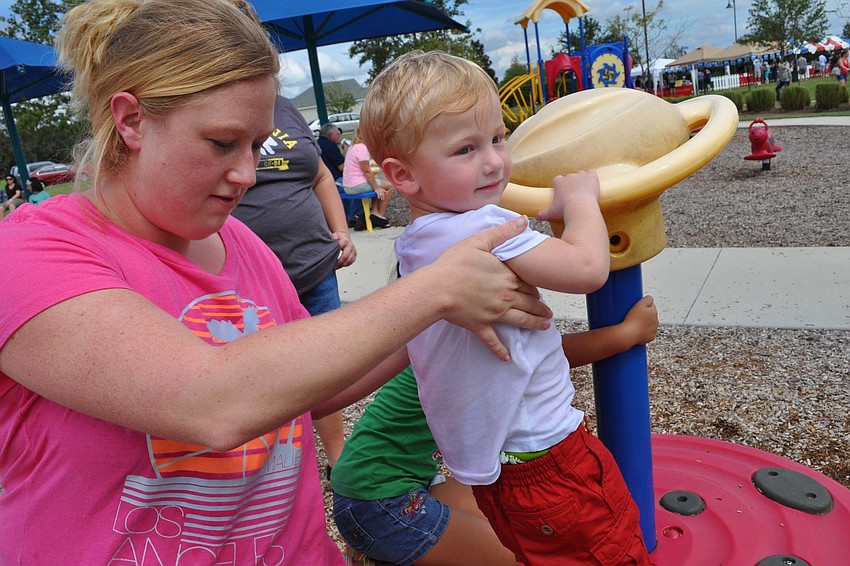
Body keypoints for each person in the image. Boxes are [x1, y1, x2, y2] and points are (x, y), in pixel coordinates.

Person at [0, 3, 552, 563]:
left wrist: (446, 314)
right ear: (131, 120)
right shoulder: (30, 254)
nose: (246, 174)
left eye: (257, 146)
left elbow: (308, 389)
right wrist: (433, 290)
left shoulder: (242, 244)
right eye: (222, 143)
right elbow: (213, 401)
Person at [359, 50, 649, 565]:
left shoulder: (417, 244)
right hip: (551, 460)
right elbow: (586, 269)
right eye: (466, 149)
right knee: (613, 552)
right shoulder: (478, 229)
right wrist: (580, 200)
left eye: (497, 137)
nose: (494, 161)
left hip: (495, 470)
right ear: (403, 176)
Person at [332, 297, 659, 566]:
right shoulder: (460, 342)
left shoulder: (438, 336)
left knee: (507, 519)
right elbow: (549, 354)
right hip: (377, 502)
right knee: (525, 556)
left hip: (390, 484)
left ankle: (386, 547)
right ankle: (377, 552)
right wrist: (625, 335)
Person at [232, 95, 357, 477]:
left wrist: (340, 229)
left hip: (314, 265)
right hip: (248, 279)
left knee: (326, 365)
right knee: (262, 375)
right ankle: (270, 470)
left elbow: (319, 174)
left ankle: (337, 456)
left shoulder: (283, 107)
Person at [342, 127, 393, 230]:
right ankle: (379, 216)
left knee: (378, 184)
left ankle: (374, 211)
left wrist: (376, 187)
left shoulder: (353, 147)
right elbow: (367, 172)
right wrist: (376, 188)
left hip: (348, 185)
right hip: (356, 185)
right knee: (389, 186)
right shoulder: (362, 148)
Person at [317, 123, 358, 225]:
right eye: (338, 134)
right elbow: (344, 167)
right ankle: (355, 217)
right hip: (334, 180)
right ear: (331, 135)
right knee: (357, 187)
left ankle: (348, 216)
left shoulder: (317, 144)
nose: (339, 136)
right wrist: (347, 150)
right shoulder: (330, 146)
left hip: (321, 181)